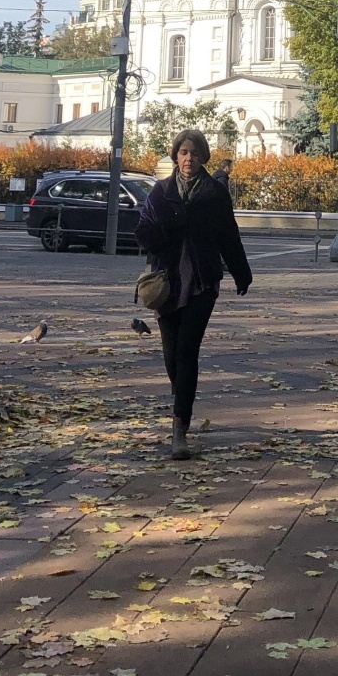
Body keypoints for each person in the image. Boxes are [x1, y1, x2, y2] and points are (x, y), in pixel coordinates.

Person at [135, 129, 252, 460]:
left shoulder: (214, 193)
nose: (189, 158)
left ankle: (179, 427)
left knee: (187, 351)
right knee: (172, 355)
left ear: (203, 157)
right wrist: (170, 226)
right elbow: (143, 235)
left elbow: (229, 235)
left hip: (202, 282)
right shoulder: (161, 192)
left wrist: (241, 272)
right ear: (176, 156)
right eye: (184, 152)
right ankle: (181, 397)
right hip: (167, 284)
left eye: (195, 153)